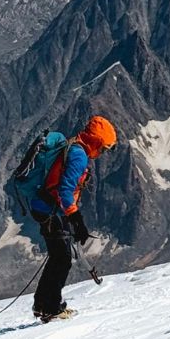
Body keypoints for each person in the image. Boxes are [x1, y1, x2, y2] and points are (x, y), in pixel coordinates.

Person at [30, 115, 117, 321]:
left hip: (45, 207)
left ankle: (43, 304)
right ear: (96, 141)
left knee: (58, 256)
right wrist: (76, 219)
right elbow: (65, 191)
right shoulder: (79, 156)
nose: (102, 153)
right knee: (62, 259)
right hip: (50, 210)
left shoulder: (75, 145)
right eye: (103, 148)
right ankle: (51, 307)